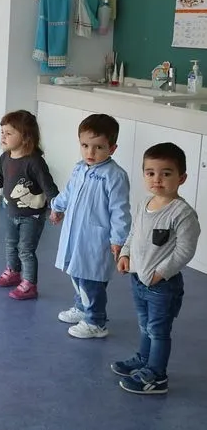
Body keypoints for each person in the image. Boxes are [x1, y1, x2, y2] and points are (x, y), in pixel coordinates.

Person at [112, 142, 201, 395]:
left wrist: (160, 274)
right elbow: (134, 234)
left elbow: (184, 251)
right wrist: (125, 254)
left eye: (166, 173)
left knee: (158, 331)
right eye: (150, 173)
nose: (157, 179)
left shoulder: (182, 213)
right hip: (139, 281)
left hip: (163, 285)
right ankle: (144, 359)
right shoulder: (145, 203)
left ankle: (157, 375)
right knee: (145, 326)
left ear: (181, 178)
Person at [50, 113, 131, 339]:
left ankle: (96, 322)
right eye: (85, 145)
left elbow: (120, 211)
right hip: (75, 234)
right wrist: (57, 207)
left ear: (112, 148)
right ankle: (82, 307)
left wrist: (118, 239)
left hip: (96, 239)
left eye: (99, 147)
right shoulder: (79, 168)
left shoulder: (115, 176)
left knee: (91, 280)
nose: (90, 153)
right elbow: (68, 192)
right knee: (76, 273)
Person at [0, 110, 58, 300]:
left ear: (25, 137)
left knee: (26, 249)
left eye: (9, 133)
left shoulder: (35, 162)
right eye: (2, 132)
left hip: (32, 216)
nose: (3, 137)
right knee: (10, 244)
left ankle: (29, 284)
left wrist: (56, 208)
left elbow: (49, 187)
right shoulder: (6, 158)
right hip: (11, 212)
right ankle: (13, 272)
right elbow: (0, 179)